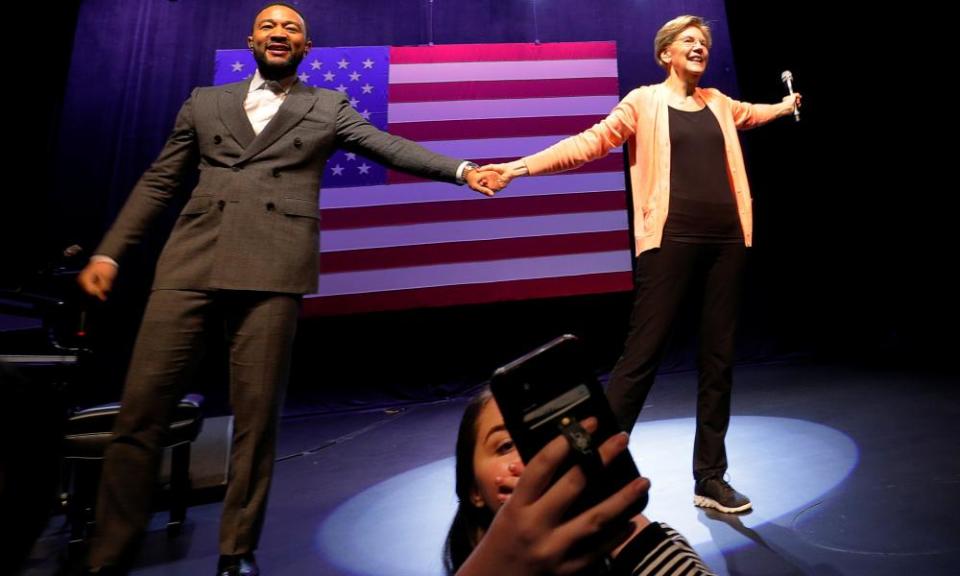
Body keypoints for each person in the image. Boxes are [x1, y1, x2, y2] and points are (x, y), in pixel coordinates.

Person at [76, 3, 503, 574]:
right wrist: (110, 251)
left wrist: (462, 170)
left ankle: (236, 552)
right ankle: (109, 554)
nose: (280, 33)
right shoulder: (205, 102)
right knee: (140, 413)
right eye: (270, 26)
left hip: (273, 269)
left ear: (304, 49)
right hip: (189, 267)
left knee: (256, 420)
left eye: (292, 28)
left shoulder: (326, 106)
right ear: (251, 40)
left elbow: (387, 145)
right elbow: (159, 182)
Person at [481, 14, 801, 515]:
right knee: (640, 358)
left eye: (704, 43)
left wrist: (784, 106)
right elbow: (588, 143)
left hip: (728, 241)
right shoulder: (643, 101)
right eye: (688, 42)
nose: (699, 48)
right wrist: (520, 167)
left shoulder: (718, 102)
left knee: (718, 360)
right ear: (665, 54)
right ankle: (590, 474)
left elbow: (752, 113)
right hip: (669, 239)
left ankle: (710, 478)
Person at [445, 389, 716, 575]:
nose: (535, 459)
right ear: (474, 491)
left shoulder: (652, 543)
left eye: (543, 439)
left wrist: (623, 529)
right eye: (505, 446)